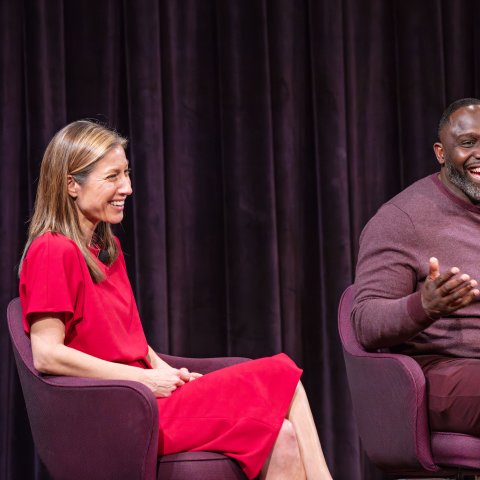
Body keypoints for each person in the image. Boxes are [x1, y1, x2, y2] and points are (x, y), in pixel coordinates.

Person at [18, 120, 332, 480]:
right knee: (282, 376)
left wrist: (163, 370)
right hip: (119, 411)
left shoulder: (107, 249)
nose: (128, 188)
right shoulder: (51, 250)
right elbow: (46, 354)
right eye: (113, 177)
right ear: (72, 184)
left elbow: (130, 341)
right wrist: (143, 382)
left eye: (127, 174)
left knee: (284, 436)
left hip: (146, 398)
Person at [352, 97, 480, 437]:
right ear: (441, 152)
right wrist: (424, 306)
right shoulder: (401, 219)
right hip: (444, 370)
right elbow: (364, 322)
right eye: (468, 143)